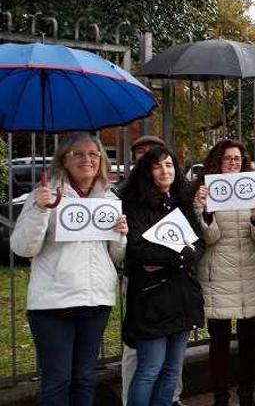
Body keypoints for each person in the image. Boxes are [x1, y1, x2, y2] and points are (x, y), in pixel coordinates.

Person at [11, 133, 128, 406]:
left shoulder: (109, 199)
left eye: (93, 154)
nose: (87, 159)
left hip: (95, 300)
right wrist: (41, 210)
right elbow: (23, 248)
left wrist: (121, 235)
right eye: (78, 153)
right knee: (57, 380)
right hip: (53, 302)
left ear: (101, 161)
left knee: (85, 378)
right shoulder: (45, 194)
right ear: (64, 159)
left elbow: (115, 256)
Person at [120, 146, 205, 406]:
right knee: (149, 370)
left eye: (168, 164)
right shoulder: (134, 205)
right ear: (147, 171)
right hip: (151, 300)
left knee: (172, 370)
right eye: (158, 166)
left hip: (181, 297)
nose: (164, 170)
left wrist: (171, 258)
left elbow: (198, 244)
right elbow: (138, 249)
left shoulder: (181, 202)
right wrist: (180, 256)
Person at [191, 140, 255, 406]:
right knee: (219, 342)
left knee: (249, 341)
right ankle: (220, 397)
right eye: (228, 159)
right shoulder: (205, 191)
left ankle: (247, 395)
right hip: (218, 273)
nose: (234, 163)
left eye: (238, 159)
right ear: (217, 161)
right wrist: (205, 210)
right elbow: (209, 238)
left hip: (250, 270)